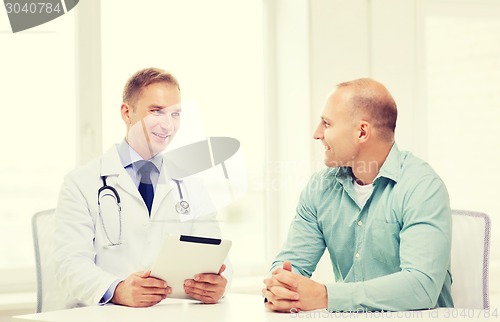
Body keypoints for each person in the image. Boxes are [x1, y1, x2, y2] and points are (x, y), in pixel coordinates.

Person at [263, 78, 453, 312]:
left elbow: (421, 287)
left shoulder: (422, 186)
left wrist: (327, 296)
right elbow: (288, 270)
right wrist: (280, 289)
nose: (317, 133)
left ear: (362, 131)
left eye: (327, 123)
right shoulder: (320, 188)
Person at [52, 67, 230, 310]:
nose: (168, 125)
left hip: (170, 314)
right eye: (156, 111)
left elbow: (218, 255)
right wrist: (117, 289)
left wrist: (217, 285)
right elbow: (69, 263)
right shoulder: (81, 182)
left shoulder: (192, 185)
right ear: (127, 113)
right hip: (105, 314)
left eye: (176, 114)